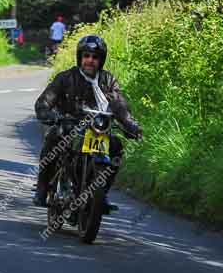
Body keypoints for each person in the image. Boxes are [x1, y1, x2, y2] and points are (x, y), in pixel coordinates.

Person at [33, 34, 143, 212]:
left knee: (116, 145)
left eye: (95, 57)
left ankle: (102, 194)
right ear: (80, 57)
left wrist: (131, 125)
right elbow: (44, 101)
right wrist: (48, 113)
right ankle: (42, 188)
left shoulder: (108, 80)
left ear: (101, 60)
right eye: (86, 56)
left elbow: (119, 105)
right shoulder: (66, 78)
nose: (90, 60)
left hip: (97, 128)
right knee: (54, 136)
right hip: (69, 125)